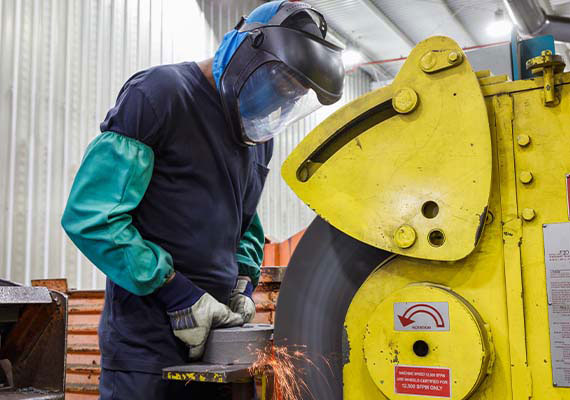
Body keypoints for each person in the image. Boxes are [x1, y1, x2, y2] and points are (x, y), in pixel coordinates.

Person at [61, 1, 344, 398]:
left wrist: (244, 284)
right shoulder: (158, 97)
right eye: (278, 85)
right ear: (246, 53)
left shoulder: (256, 135)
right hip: (145, 350)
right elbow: (92, 217)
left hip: (217, 345)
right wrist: (177, 293)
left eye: (290, 95)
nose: (279, 102)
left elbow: (245, 224)